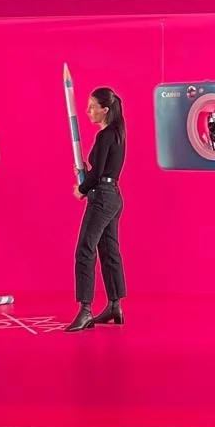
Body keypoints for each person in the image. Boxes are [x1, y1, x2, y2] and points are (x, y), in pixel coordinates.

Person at [65, 86, 128, 333]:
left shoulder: (105, 135)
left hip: (102, 197)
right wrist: (85, 173)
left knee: (85, 249)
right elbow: (103, 169)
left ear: (105, 109)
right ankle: (115, 305)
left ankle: (85, 310)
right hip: (113, 196)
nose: (88, 110)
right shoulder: (117, 133)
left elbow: (99, 173)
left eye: (92, 106)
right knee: (109, 250)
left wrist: (81, 187)